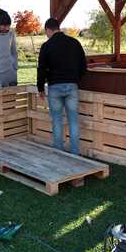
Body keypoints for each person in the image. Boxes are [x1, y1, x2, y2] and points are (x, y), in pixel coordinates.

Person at [37, 18, 87, 155]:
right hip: (72, 87)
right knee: (73, 121)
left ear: (48, 30)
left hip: (54, 88)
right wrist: (75, 79)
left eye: (46, 32)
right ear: (58, 28)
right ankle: (75, 153)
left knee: (57, 121)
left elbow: (41, 69)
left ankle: (59, 153)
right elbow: (83, 66)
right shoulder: (74, 43)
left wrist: (40, 88)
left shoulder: (46, 46)